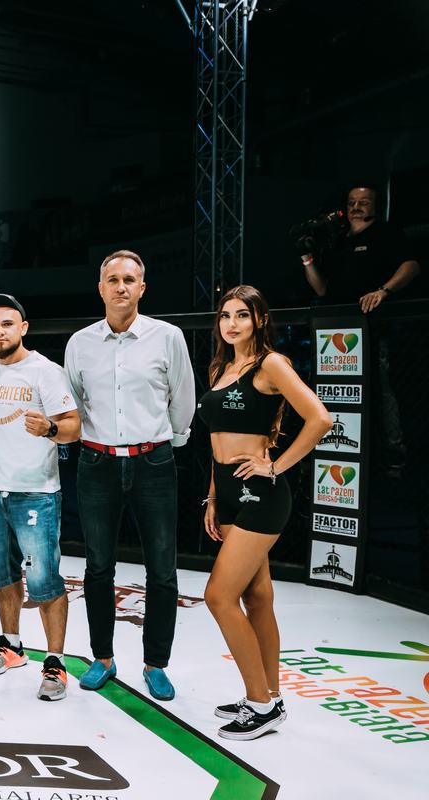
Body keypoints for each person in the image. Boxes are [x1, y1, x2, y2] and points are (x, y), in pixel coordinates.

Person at [199, 285, 331, 740]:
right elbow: (217, 440)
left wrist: (274, 466)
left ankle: (261, 704)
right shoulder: (220, 367)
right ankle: (269, 694)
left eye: (242, 315)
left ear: (260, 319)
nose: (232, 323)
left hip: (261, 493)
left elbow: (321, 419)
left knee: (219, 596)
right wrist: (213, 496)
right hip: (229, 493)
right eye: (225, 315)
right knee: (256, 597)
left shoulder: (270, 364)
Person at [64, 250, 196, 701]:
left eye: (129, 279)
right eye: (113, 279)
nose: (121, 286)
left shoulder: (167, 336)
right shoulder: (80, 342)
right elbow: (74, 401)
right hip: (96, 462)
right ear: (101, 288)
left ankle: (156, 663)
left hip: (153, 461)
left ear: (142, 287)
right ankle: (102, 658)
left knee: (162, 569)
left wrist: (168, 442)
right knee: (98, 567)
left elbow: (182, 396)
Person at [0, 294, 80, 701]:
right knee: (1, 574)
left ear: (23, 328)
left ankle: (55, 662)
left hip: (37, 493)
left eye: (7, 324)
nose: (0, 332)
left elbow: (74, 427)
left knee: (44, 581)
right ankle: (12, 645)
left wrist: (50, 429)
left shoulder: (45, 372)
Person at [300, 184, 420, 473]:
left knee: (382, 388)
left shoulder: (385, 233)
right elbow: (322, 289)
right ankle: (340, 448)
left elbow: (412, 266)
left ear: (375, 205)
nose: (356, 207)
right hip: (336, 332)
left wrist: (383, 291)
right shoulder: (337, 240)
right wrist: (307, 260)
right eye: (352, 202)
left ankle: (393, 453)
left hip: (374, 328)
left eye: (364, 202)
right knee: (336, 391)